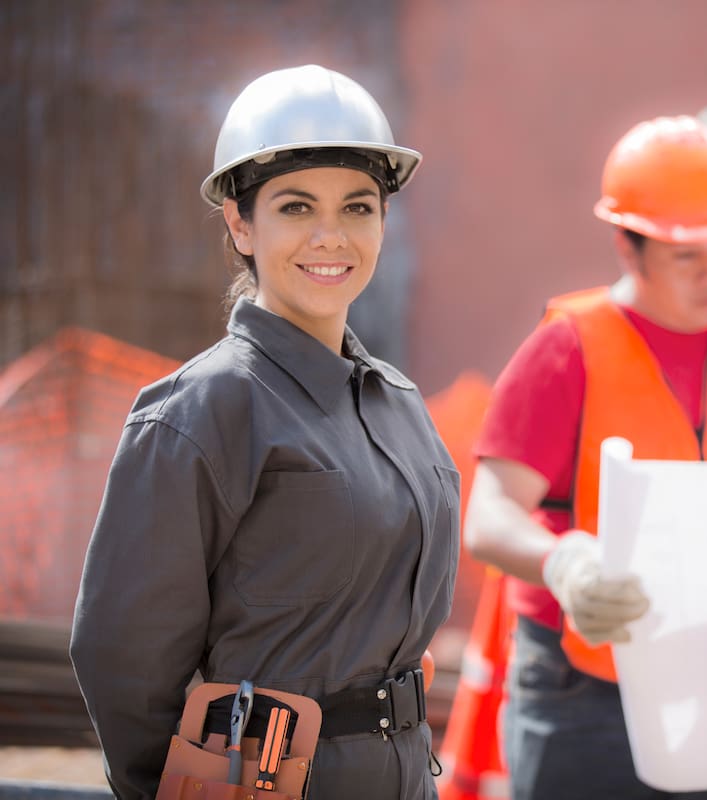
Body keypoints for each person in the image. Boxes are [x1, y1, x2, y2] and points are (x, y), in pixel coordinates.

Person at [69, 64, 459, 800]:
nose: (330, 236)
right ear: (240, 223)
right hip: (268, 782)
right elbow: (122, 656)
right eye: (295, 206)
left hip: (405, 776)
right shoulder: (202, 411)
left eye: (358, 207)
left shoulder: (400, 406)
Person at [462, 116, 707, 800]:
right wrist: (562, 564)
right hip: (581, 691)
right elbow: (488, 515)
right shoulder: (568, 346)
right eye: (689, 255)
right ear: (630, 248)